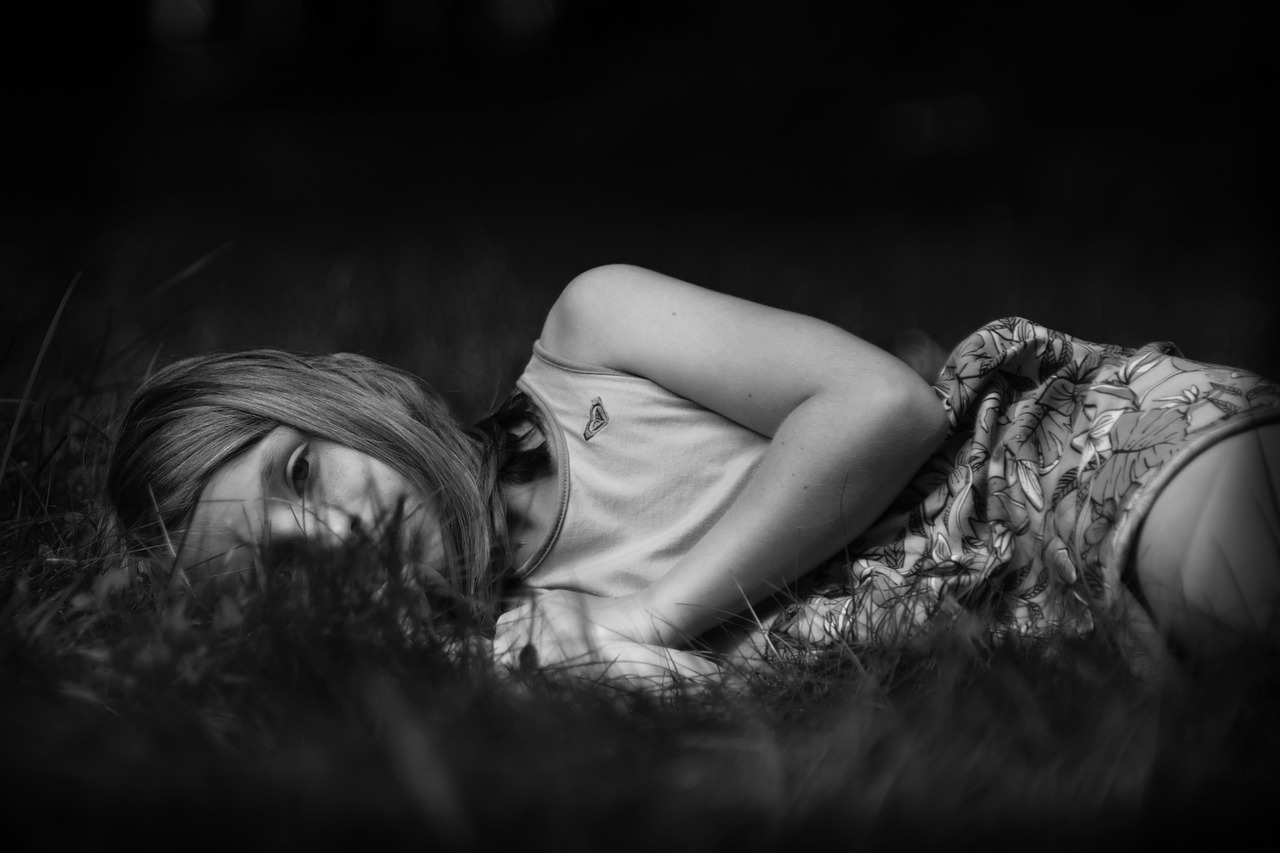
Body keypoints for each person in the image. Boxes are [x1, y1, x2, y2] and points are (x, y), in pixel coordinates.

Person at [105, 265, 1280, 689]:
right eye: (280, 564)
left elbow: (880, 407)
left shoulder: (591, 335)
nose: (331, 532)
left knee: (1238, 604)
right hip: (1021, 634)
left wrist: (653, 614)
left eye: (301, 470)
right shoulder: (522, 656)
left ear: (342, 402)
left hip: (1049, 465)